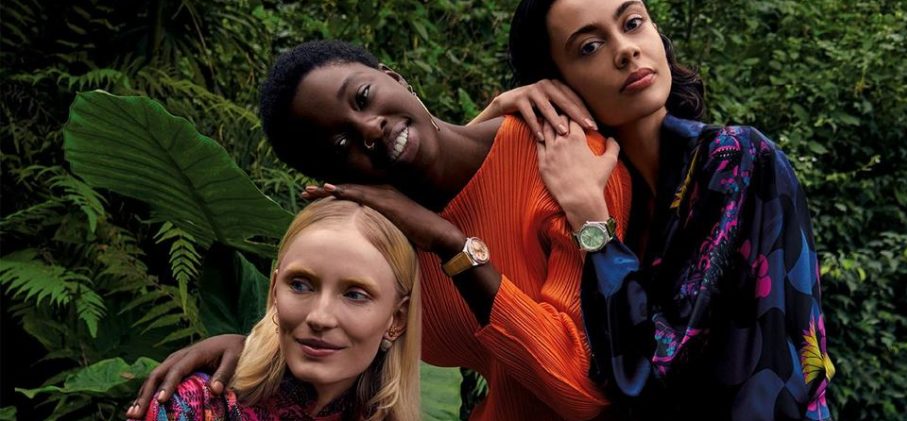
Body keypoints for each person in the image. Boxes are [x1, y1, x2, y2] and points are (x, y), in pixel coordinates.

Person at [127, 40, 631, 421]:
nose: (369, 128)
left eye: (364, 96)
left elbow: (579, 389)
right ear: (337, 178)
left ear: (394, 77)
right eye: (340, 143)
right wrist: (247, 350)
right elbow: (329, 334)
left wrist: (454, 248)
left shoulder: (562, 158)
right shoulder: (388, 247)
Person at [466, 0, 835, 419]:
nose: (626, 50)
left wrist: (592, 224)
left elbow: (649, 370)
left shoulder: (734, 158)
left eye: (633, 23)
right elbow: (442, 229)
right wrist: (496, 117)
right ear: (557, 85)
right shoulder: (602, 193)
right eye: (589, 47)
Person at [131, 199, 421, 421]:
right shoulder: (196, 405)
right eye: (300, 285)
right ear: (274, 291)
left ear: (397, 318)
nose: (319, 317)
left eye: (355, 295)